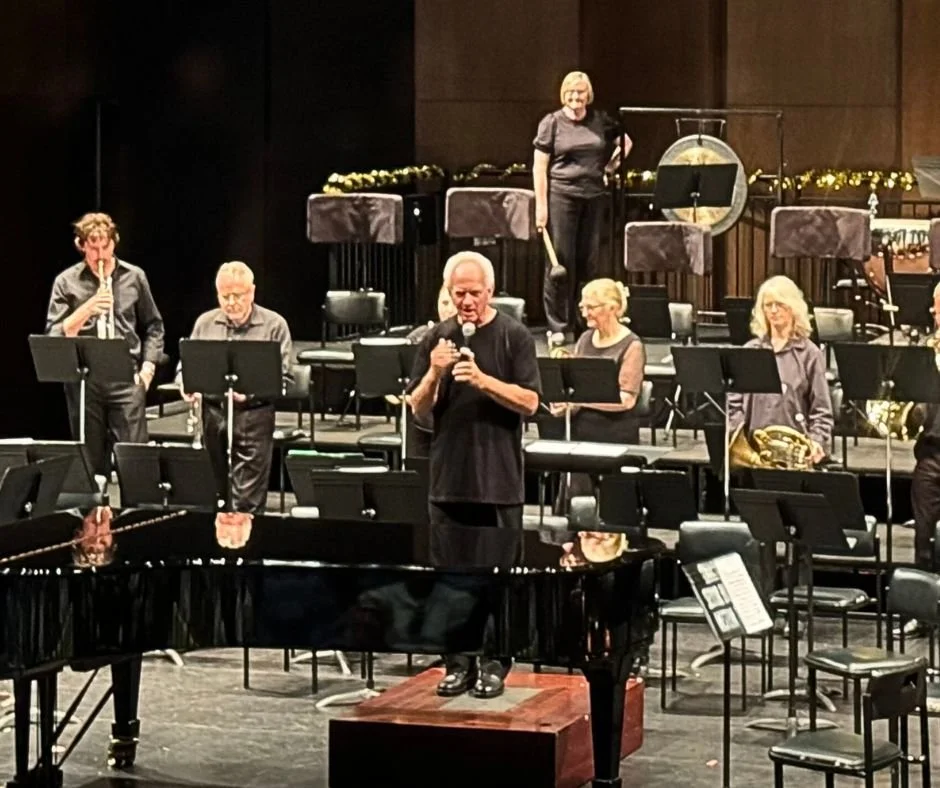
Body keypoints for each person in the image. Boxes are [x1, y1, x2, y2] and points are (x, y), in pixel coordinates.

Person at [409, 251, 540, 699]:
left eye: (474, 293)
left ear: (491, 291)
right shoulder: (437, 338)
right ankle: (457, 662)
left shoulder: (514, 336)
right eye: (458, 293)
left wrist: (483, 381)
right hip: (448, 480)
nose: (466, 301)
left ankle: (494, 662)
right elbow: (418, 410)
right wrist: (434, 371)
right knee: (450, 579)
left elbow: (531, 402)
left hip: (498, 481)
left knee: (499, 579)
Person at [45, 212, 165, 476]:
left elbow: (154, 326)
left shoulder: (134, 277)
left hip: (126, 379)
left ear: (114, 241)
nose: (100, 255)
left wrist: (147, 370)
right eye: (93, 248)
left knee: (134, 462)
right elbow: (54, 335)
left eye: (105, 246)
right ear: (81, 245)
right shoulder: (66, 282)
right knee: (90, 466)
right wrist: (88, 308)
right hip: (85, 382)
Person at [180, 261, 292, 514]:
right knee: (213, 494)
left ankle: (249, 538)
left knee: (246, 500)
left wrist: (250, 392)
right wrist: (185, 384)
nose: (231, 302)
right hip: (213, 415)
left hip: (254, 415)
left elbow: (284, 376)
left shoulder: (274, 325)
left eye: (237, 295)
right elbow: (186, 364)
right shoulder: (205, 323)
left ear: (251, 292)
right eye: (224, 296)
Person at [533, 70, 632, 343]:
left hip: (594, 196)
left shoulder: (600, 120)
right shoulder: (552, 123)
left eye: (581, 92)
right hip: (562, 196)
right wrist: (541, 206)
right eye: (571, 92)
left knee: (589, 261)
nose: (575, 97)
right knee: (561, 262)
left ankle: (584, 321)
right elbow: (539, 166)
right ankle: (558, 325)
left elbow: (626, 143)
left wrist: (609, 168)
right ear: (563, 94)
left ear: (588, 95)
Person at [550, 278, 646, 501]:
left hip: (614, 434)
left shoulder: (632, 346)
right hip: (581, 432)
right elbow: (576, 386)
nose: (585, 313)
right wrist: (564, 403)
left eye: (591, 307)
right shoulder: (585, 339)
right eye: (582, 307)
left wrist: (580, 401)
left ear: (612, 308)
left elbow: (626, 400)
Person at [727, 275, 832, 464]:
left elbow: (821, 410)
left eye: (780, 304)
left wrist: (816, 441)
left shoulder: (810, 354)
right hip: (753, 454)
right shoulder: (750, 351)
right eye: (768, 305)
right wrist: (739, 439)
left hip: (795, 458)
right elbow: (733, 403)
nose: (773, 311)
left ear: (793, 307)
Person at [910, 281, 940, 571]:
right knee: (924, 539)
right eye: (936, 308)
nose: (935, 314)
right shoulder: (925, 350)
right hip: (931, 454)